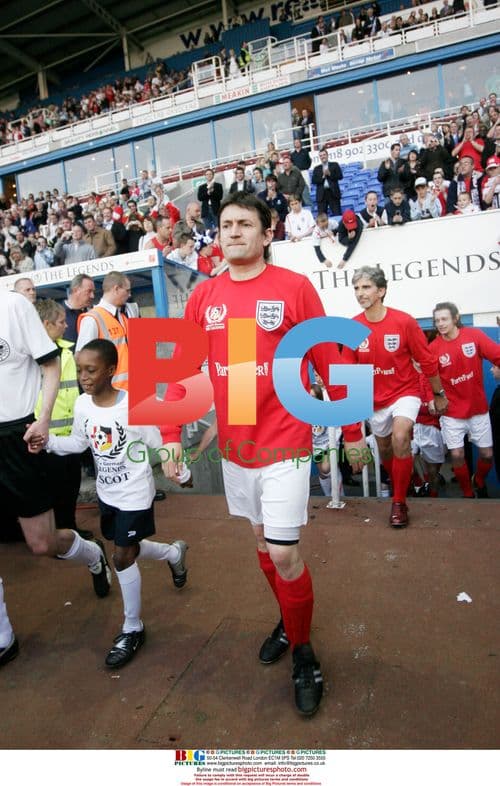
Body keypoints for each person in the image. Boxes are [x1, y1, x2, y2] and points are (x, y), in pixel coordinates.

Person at [161, 192, 367, 716]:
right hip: (236, 447)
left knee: (282, 551)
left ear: (267, 233)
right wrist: (167, 436)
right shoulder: (203, 297)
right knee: (260, 541)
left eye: (244, 224)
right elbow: (176, 373)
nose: (232, 232)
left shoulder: (294, 288)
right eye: (225, 224)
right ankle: (288, 618)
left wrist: (352, 431)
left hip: (287, 443)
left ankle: (304, 654)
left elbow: (329, 357)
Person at [43, 339, 188, 668]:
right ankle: (173, 553)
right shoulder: (82, 405)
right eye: (80, 370)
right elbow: (81, 442)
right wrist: (49, 441)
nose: (84, 376)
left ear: (110, 370)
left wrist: (179, 468)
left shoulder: (134, 406)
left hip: (135, 493)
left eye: (91, 370)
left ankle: (133, 627)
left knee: (121, 557)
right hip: (107, 495)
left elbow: (162, 441)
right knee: (131, 548)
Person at [0, 290, 111, 669]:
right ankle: (3, 637)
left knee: (42, 542)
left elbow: (49, 365)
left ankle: (93, 556)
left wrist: (43, 419)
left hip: (15, 437)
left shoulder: (12, 305)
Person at [342, 266, 448, 527]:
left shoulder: (404, 322)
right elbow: (348, 380)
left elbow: (427, 361)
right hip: (374, 401)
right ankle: (404, 481)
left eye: (366, 287)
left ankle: (398, 502)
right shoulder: (353, 327)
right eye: (356, 288)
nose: (360, 293)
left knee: (400, 436)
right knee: (385, 448)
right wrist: (351, 431)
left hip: (405, 393)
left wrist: (438, 393)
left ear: (381, 290)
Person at [34, 299, 92, 540]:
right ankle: (58, 537)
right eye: (60, 322)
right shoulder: (31, 355)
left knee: (70, 487)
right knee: (54, 490)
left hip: (70, 434)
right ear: (46, 324)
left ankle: (70, 530)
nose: (66, 325)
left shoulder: (66, 350)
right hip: (46, 438)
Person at [430, 303, 500, 498]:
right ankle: (468, 493)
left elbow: (497, 354)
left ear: (456, 318)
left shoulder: (474, 336)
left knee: (487, 455)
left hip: (478, 410)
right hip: (452, 413)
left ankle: (478, 480)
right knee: (457, 455)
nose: (440, 324)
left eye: (444, 319)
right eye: (437, 321)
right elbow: (426, 376)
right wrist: (433, 398)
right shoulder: (434, 348)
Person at [63, 274, 96, 345]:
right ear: (75, 290)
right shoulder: (58, 313)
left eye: (93, 292)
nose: (92, 296)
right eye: (89, 291)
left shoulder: (94, 312)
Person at [312, 148, 343, 216]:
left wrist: (330, 174)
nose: (323, 156)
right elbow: (314, 181)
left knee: (337, 214)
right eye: (321, 155)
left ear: (327, 155)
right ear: (319, 157)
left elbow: (340, 176)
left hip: (333, 194)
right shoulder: (316, 168)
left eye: (324, 155)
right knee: (322, 217)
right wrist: (323, 176)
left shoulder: (335, 164)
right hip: (321, 195)